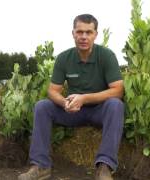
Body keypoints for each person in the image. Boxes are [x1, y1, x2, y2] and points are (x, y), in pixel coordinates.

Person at [18, 14, 124, 180]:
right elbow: (52, 91)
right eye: (79, 32)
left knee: (115, 105)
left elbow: (118, 90)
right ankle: (41, 166)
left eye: (88, 32)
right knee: (42, 106)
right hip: (74, 111)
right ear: (73, 33)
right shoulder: (64, 58)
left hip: (99, 110)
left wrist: (85, 98)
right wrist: (64, 102)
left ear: (96, 34)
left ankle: (104, 167)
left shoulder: (106, 56)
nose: (83, 36)